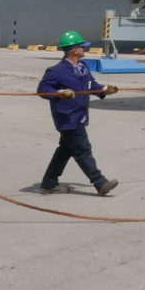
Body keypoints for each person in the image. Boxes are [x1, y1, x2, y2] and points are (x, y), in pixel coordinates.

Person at [37, 30, 119, 195]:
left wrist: (105, 90)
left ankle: (49, 183)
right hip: (67, 118)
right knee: (82, 149)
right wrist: (60, 92)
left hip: (80, 116)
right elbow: (42, 89)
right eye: (82, 46)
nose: (84, 49)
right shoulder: (56, 71)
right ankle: (100, 182)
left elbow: (91, 86)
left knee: (65, 150)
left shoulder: (83, 68)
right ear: (75, 49)